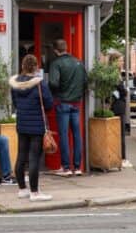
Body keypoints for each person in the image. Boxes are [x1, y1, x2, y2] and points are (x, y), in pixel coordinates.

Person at [10, 55, 54, 201]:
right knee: (34, 157)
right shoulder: (40, 84)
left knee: (21, 155)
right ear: (36, 66)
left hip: (21, 123)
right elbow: (48, 104)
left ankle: (22, 189)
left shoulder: (15, 83)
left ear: (22, 65)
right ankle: (35, 192)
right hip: (37, 125)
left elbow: (15, 103)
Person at [48, 39, 87, 177]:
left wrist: (55, 93)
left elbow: (53, 82)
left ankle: (65, 167)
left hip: (62, 102)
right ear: (66, 48)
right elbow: (85, 82)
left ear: (55, 50)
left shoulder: (56, 63)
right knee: (77, 135)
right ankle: (77, 167)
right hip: (76, 104)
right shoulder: (78, 62)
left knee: (64, 135)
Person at [108, 51, 131, 168]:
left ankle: (120, 158)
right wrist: (125, 91)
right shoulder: (114, 74)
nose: (122, 63)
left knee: (118, 133)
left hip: (115, 105)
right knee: (120, 133)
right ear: (115, 61)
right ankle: (122, 158)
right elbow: (122, 90)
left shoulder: (113, 73)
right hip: (118, 106)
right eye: (121, 60)